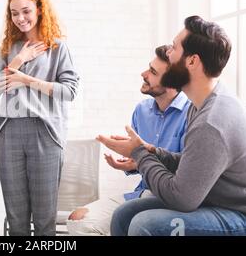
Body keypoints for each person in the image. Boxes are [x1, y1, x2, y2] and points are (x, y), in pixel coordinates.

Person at [100, 16, 246, 236]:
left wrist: (139, 153)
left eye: (173, 48)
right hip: (218, 200)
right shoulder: (201, 103)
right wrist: (153, 151)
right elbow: (196, 166)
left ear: (192, 61)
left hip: (244, 215)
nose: (168, 54)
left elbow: (181, 198)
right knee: (124, 215)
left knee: (146, 224)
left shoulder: (211, 121)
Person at [0, 0, 79, 236]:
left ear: (39, 10)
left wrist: (28, 81)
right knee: (16, 218)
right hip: (9, 132)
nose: (20, 18)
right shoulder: (9, 48)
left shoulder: (58, 48)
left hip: (45, 132)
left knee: (44, 218)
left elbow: (69, 91)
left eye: (26, 11)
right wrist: (18, 61)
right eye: (14, 13)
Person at [67, 45, 190, 235]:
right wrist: (130, 164)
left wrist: (141, 155)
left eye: (152, 72)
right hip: (142, 192)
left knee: (134, 225)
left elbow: (187, 169)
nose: (143, 73)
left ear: (171, 82)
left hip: (170, 198)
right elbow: (140, 159)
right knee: (78, 219)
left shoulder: (192, 114)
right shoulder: (142, 110)